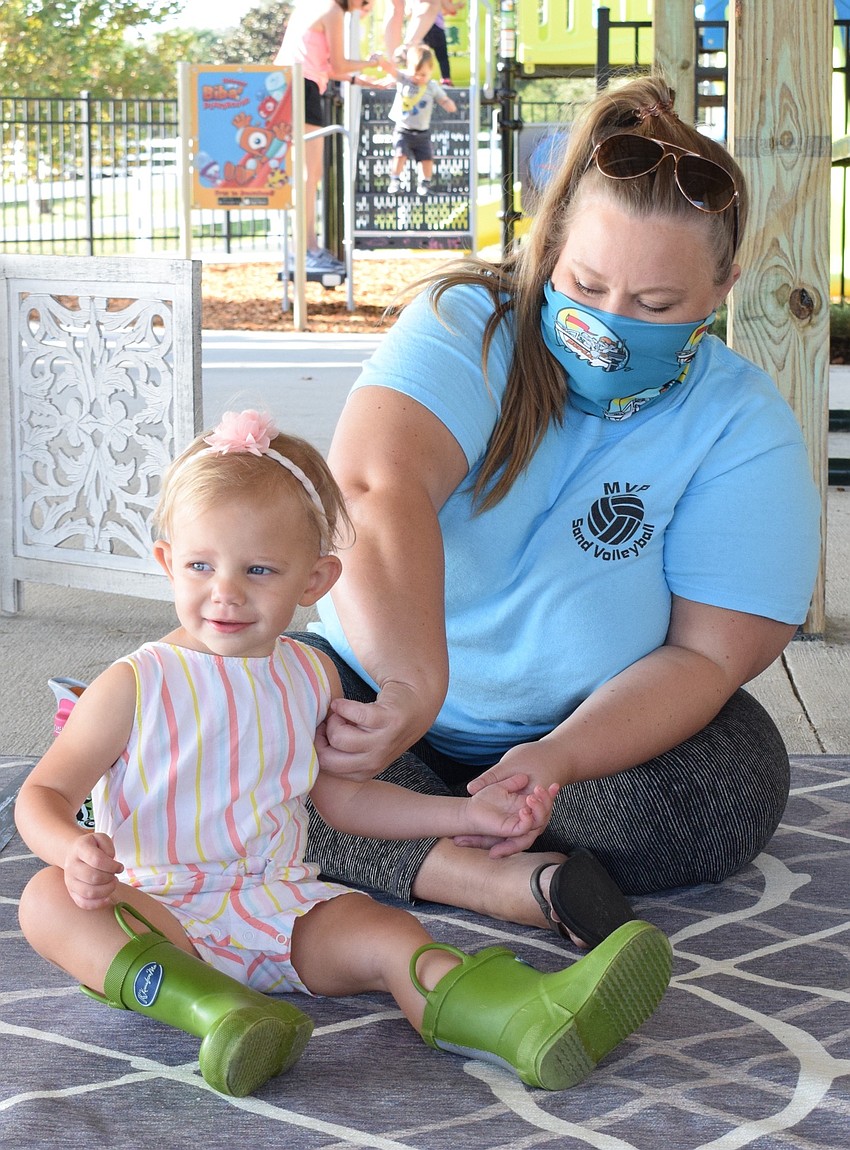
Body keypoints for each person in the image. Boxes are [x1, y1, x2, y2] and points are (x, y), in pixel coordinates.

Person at [290, 74, 821, 935]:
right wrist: (408, 688)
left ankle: (434, 842)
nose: (613, 320)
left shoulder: (743, 421)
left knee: (724, 788)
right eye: (587, 284)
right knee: (229, 725)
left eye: (657, 306)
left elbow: (711, 657)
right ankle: (481, 876)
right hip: (377, 700)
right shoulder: (469, 322)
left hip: (584, 750)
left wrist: (554, 758)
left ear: (721, 288)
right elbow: (374, 488)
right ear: (550, 247)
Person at [15, 409, 672, 1098]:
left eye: (260, 569)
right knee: (46, 901)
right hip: (155, 913)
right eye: (201, 565)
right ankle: (221, 1013)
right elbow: (43, 796)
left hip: (276, 906)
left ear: (316, 581)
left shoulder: (309, 676)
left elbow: (346, 800)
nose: (226, 592)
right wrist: (71, 851)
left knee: (390, 934)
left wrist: (464, 818)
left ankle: (524, 1021)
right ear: (166, 564)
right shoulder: (135, 684)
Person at [275, 0, 383, 273]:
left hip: (289, 82)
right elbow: (339, 63)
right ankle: (306, 249)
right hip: (302, 85)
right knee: (309, 174)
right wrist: (373, 63)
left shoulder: (312, 7)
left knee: (307, 173)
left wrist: (360, 80)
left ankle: (304, 248)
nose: (365, 5)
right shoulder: (333, 10)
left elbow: (330, 68)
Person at [383, 43, 457, 195]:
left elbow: (442, 98)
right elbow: (391, 70)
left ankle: (425, 183)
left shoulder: (431, 86)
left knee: (427, 159)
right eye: (415, 74)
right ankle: (395, 179)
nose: (419, 78)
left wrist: (448, 104)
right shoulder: (404, 80)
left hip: (422, 131)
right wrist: (379, 61)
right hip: (404, 129)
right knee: (400, 154)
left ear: (431, 71)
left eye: (423, 74)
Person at [423, 0, 464, 84]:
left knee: (422, 55)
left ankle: (420, 76)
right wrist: (458, 5)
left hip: (422, 28)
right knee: (442, 57)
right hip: (436, 28)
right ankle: (446, 79)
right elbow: (450, 8)